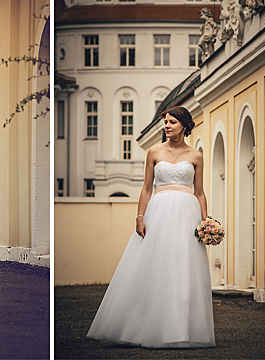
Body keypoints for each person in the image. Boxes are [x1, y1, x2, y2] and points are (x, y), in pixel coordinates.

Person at [86, 106, 215, 348]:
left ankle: (183, 328)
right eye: (165, 122)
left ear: (184, 126)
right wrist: (139, 217)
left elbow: (199, 192)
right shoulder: (153, 152)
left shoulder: (196, 156)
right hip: (160, 211)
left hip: (187, 213)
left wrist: (205, 221)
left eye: (172, 122)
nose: (167, 125)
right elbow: (146, 188)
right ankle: (142, 326)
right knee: (155, 264)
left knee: (184, 267)